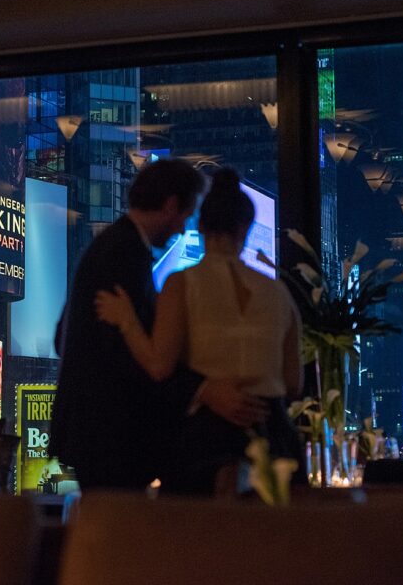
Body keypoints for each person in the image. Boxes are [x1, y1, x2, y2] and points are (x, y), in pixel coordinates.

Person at [49, 158, 270, 491]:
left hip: (96, 432)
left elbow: (63, 335)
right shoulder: (124, 253)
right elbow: (129, 355)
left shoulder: (114, 246)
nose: (183, 228)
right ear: (170, 205)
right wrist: (202, 389)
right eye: (186, 214)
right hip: (112, 435)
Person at [95, 168, 303, 494]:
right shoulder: (280, 294)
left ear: (201, 225)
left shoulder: (182, 284)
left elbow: (159, 366)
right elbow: (293, 383)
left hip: (206, 443)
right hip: (272, 435)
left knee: (198, 539)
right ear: (246, 227)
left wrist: (127, 320)